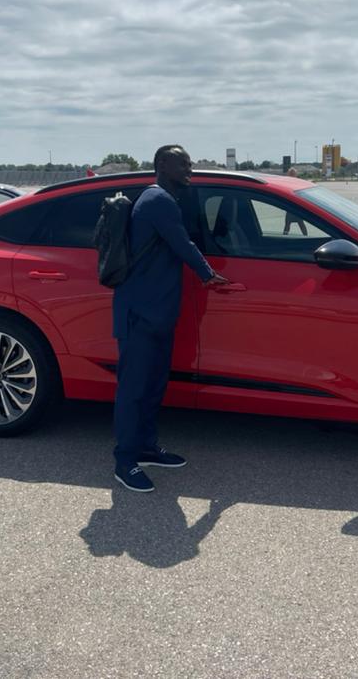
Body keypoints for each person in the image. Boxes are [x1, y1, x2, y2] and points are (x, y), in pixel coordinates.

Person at [111, 145, 229, 492]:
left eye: (190, 163)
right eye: (183, 163)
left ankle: (146, 447)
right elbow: (182, 243)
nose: (189, 169)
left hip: (158, 313)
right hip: (139, 313)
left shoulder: (161, 199)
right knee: (133, 389)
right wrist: (208, 273)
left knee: (153, 386)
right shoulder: (158, 200)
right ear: (162, 165)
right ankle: (125, 460)